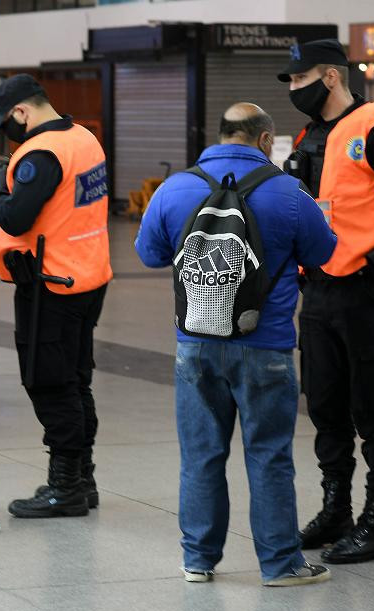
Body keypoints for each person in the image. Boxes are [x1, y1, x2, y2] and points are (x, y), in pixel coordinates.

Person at [136, 103, 337, 586]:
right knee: (269, 454)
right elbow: (324, 252)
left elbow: (148, 253)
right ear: (266, 140)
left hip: (195, 344)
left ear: (220, 133)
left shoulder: (175, 188)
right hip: (265, 345)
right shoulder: (290, 192)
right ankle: (281, 564)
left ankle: (198, 560)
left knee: (201, 453)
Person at [279, 38, 374, 563]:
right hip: (318, 292)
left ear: (331, 76)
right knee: (325, 406)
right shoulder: (309, 135)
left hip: (367, 292)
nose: (293, 89)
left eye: (299, 80)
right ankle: (336, 508)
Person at [0, 74, 112, 519]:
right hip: (87, 278)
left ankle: (64, 487)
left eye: (8, 123)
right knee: (77, 380)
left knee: (50, 383)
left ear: (21, 112)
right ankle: (84, 477)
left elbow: (16, 219)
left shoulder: (41, 154)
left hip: (50, 286)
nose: (9, 134)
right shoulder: (84, 139)